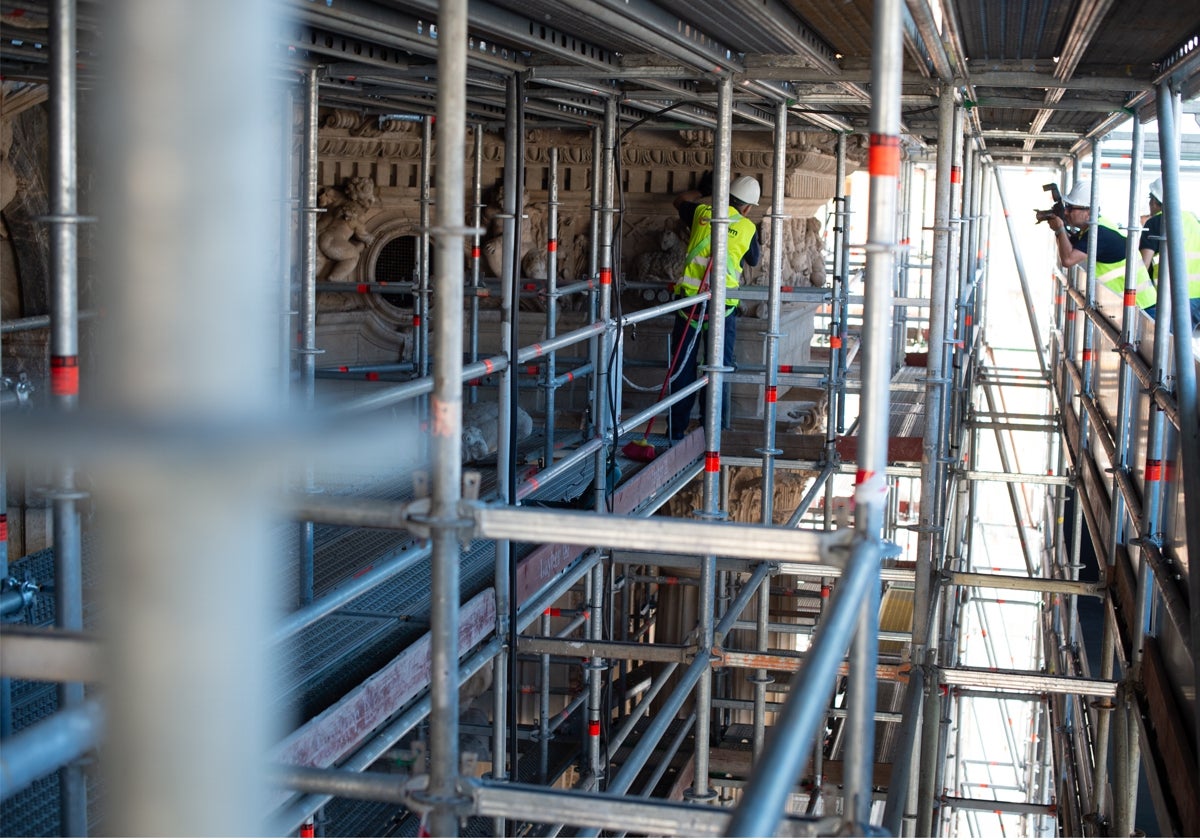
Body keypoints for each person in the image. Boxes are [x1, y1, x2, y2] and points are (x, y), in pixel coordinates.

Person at [667, 175, 761, 441]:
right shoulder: (747, 228)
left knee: (682, 368)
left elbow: (679, 201)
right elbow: (753, 259)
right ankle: (713, 430)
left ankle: (675, 431)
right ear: (747, 208)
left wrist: (701, 191)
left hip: (690, 306)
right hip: (722, 309)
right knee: (717, 369)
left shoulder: (701, 212)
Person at [1046, 180, 1156, 317]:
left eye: (1071, 208)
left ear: (1088, 211)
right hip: (1135, 306)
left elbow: (1068, 259)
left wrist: (1060, 229)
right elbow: (1069, 245)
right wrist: (1061, 228)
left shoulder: (1098, 233)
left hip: (1142, 307)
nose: (1066, 212)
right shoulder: (1095, 228)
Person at [1139, 177, 1200, 330]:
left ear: (1154, 202)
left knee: (1168, 345)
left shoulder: (1155, 223)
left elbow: (1143, 266)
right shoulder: (1193, 220)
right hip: (1196, 296)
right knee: (1184, 344)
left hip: (1170, 296)